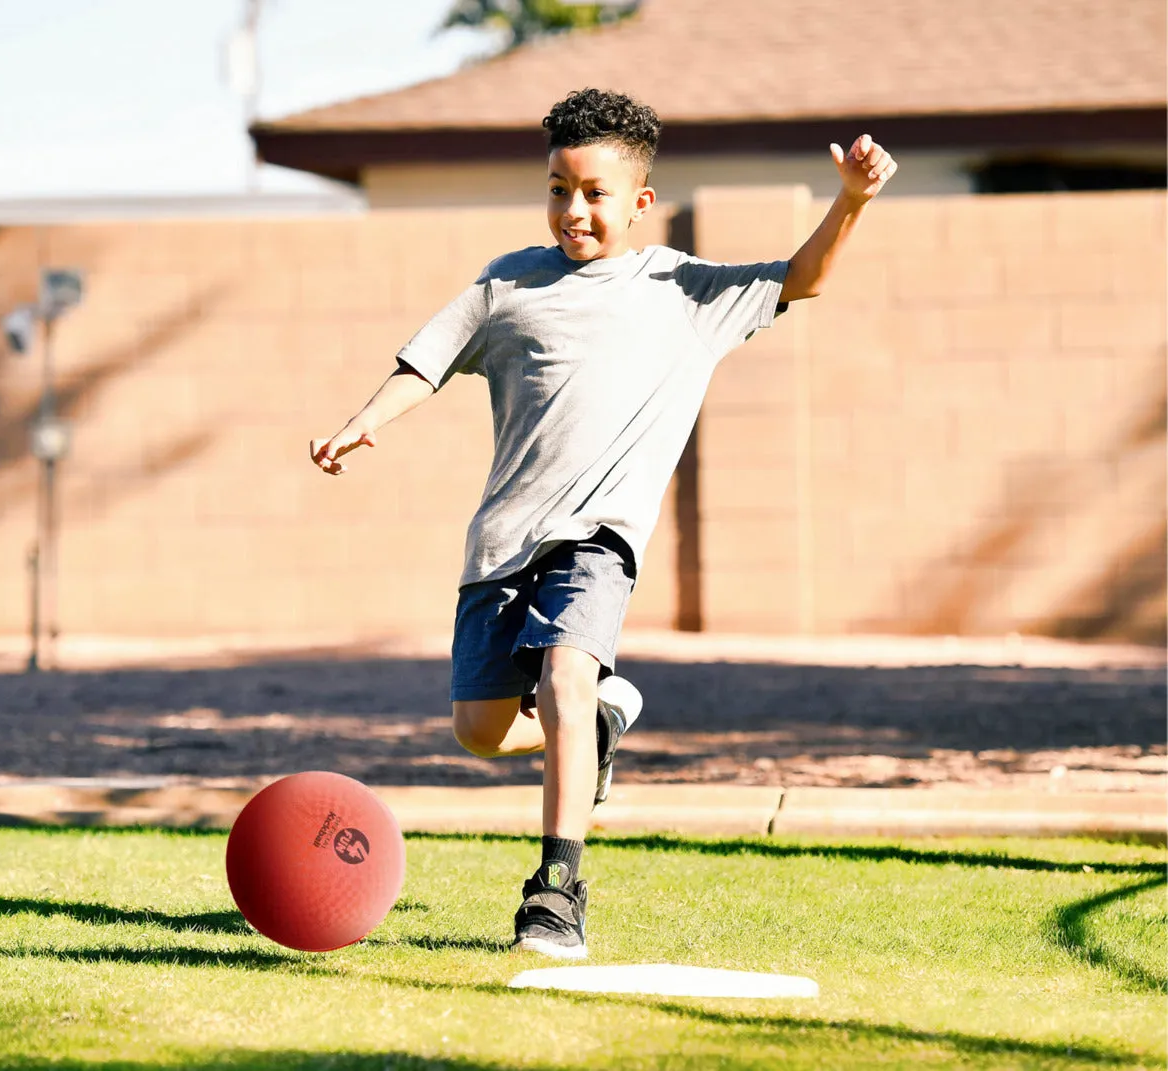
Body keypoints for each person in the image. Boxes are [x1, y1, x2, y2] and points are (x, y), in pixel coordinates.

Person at [309, 88, 897, 958]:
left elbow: (802, 279)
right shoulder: (505, 285)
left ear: (639, 203)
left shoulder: (683, 291)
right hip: (502, 543)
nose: (572, 209)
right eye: (557, 188)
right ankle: (601, 726)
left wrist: (851, 200)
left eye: (593, 192)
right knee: (478, 730)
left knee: (565, 675)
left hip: (600, 538)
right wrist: (364, 419)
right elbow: (422, 364)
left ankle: (556, 889)